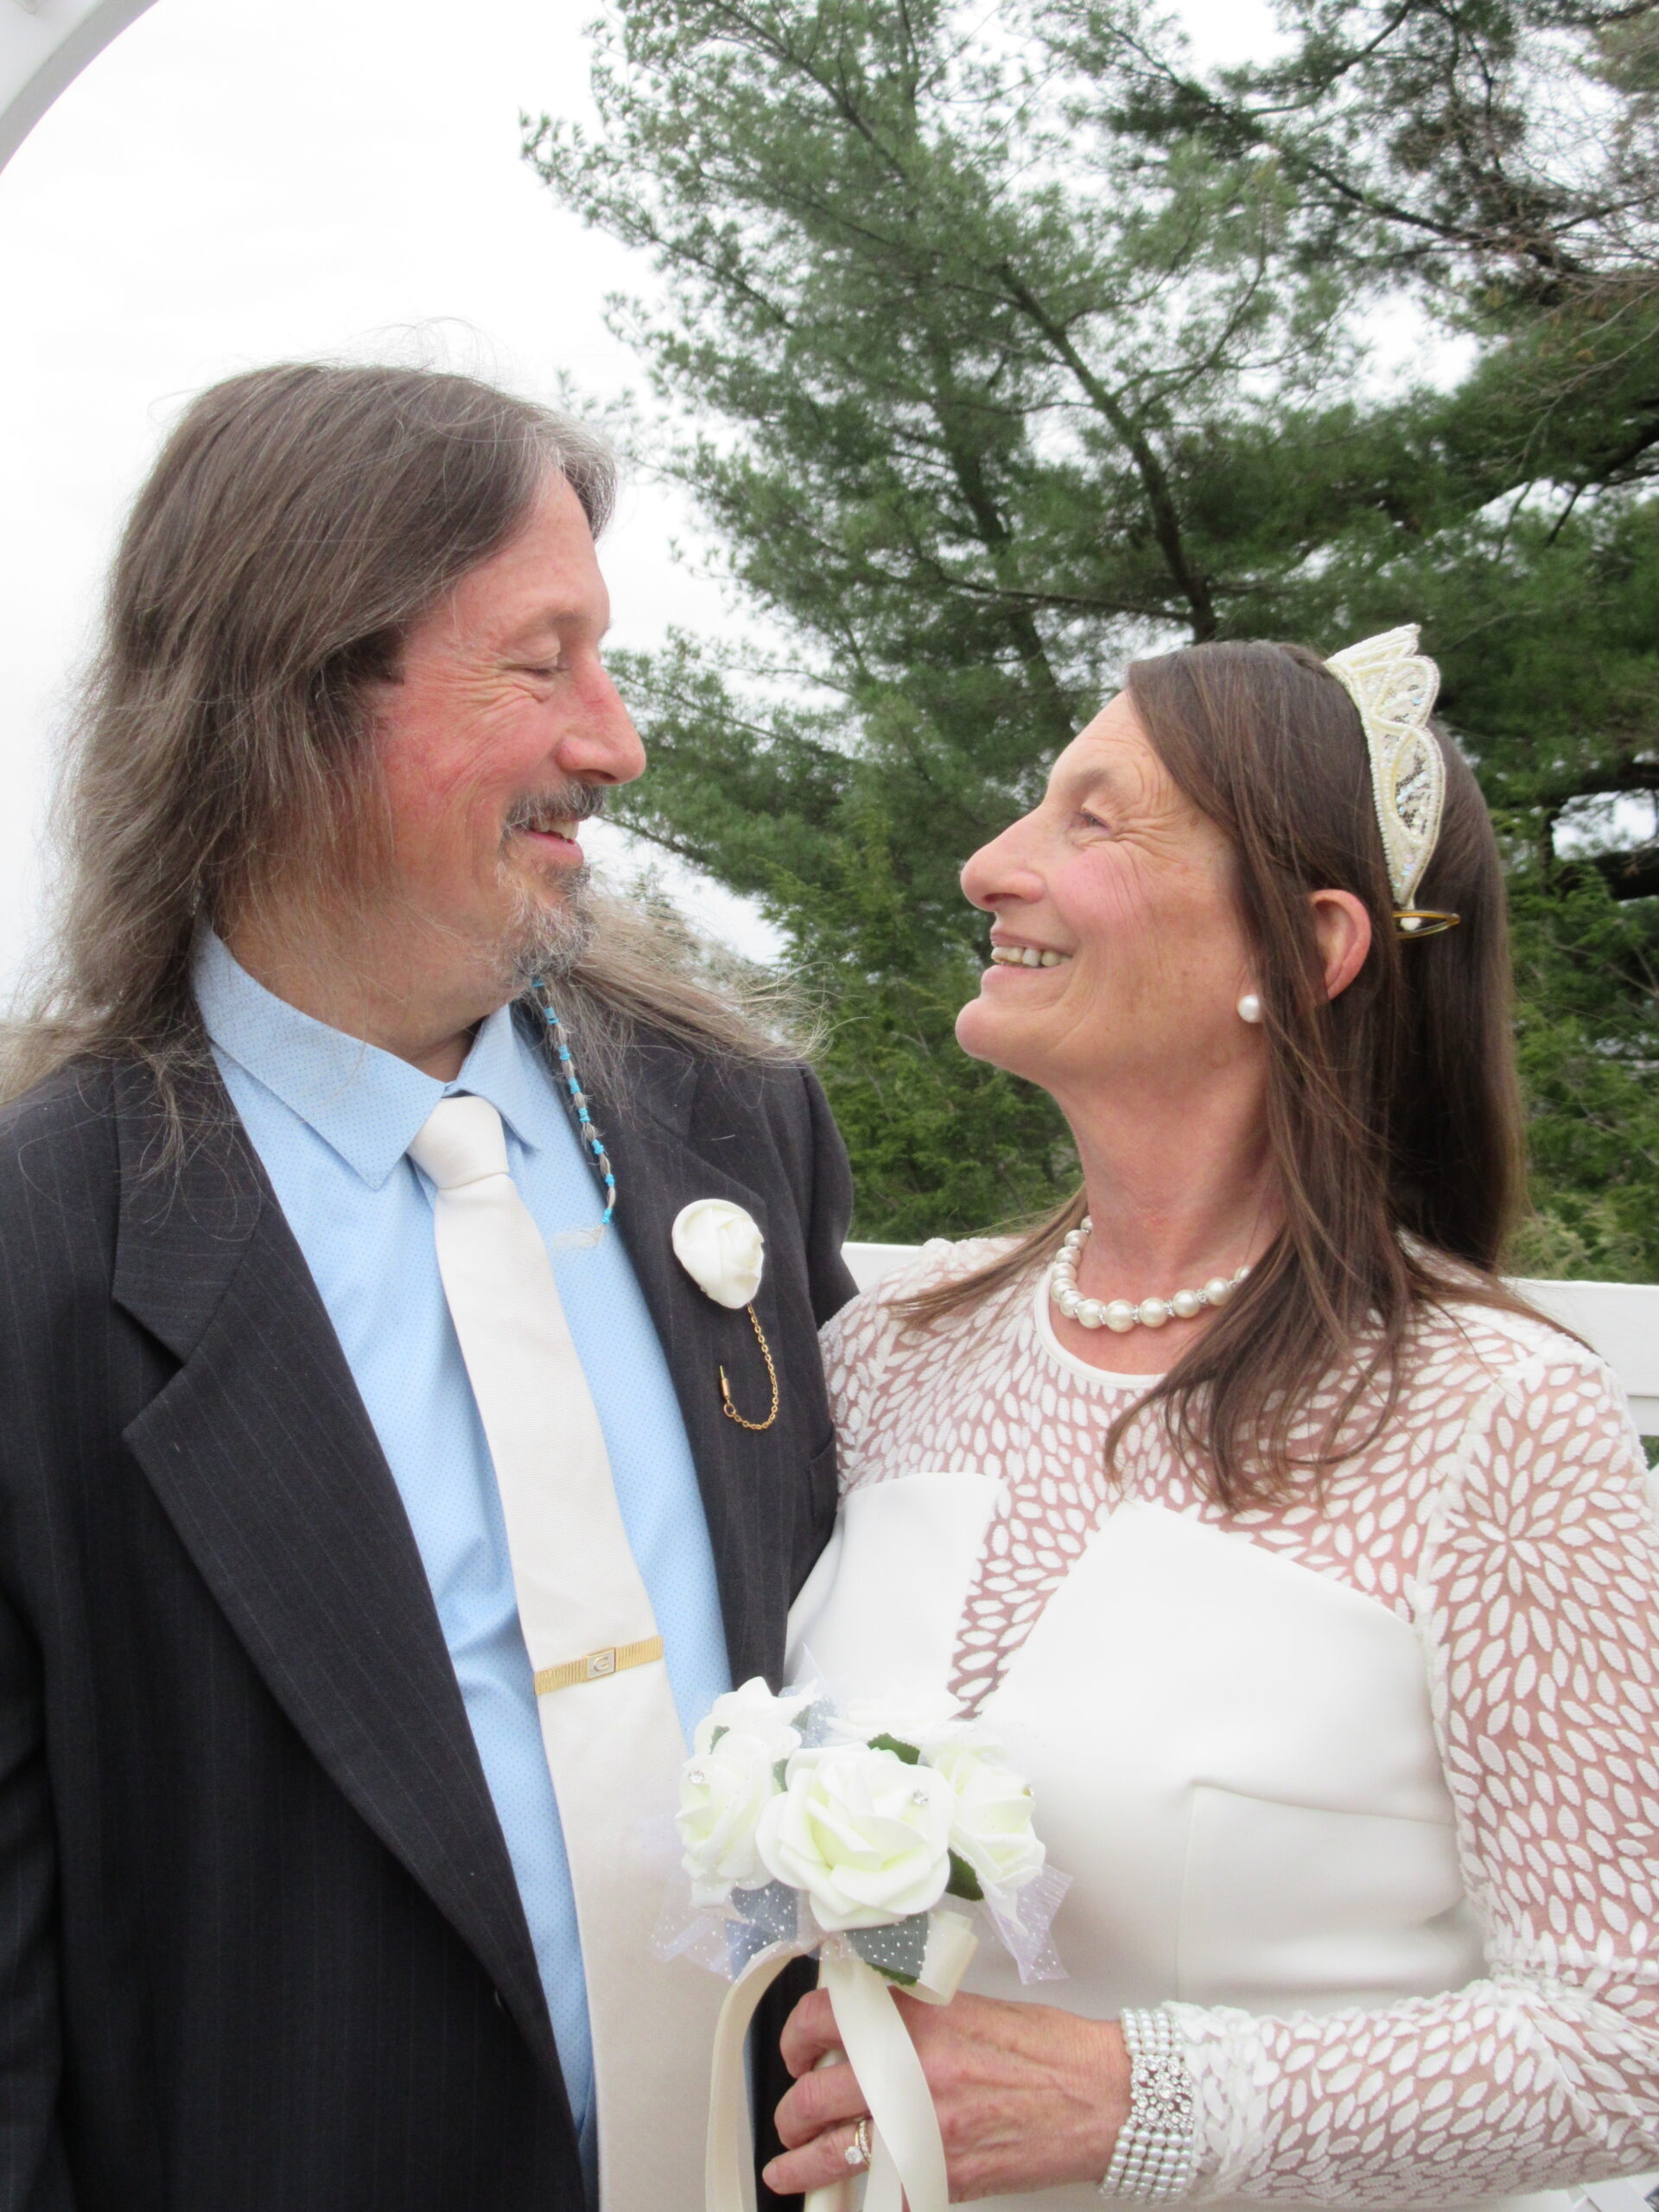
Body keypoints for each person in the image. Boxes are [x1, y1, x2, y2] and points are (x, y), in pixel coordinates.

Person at [0, 361, 853, 2212]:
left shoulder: (744, 1132)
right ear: (292, 696)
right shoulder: (41, 1241)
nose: (615, 742)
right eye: (540, 664)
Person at [767, 630, 1659, 2209]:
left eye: (1092, 821)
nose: (990, 866)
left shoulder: (1492, 1421)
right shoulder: (896, 1350)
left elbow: (1624, 2044)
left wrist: (1139, 2099)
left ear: (1312, 943)